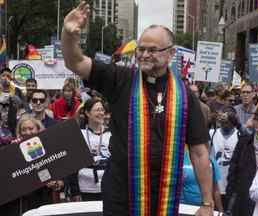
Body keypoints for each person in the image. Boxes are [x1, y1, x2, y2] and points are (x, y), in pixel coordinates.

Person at [61, 1, 213, 216]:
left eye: (152, 50)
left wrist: (207, 203)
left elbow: (199, 152)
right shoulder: (120, 78)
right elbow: (74, 62)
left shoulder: (185, 96)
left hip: (163, 194)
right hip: (121, 193)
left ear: (171, 53)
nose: (143, 54)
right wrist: (68, 35)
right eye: (141, 49)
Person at [67, 98, 111, 201]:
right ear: (87, 113)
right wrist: (75, 191)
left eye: (102, 110)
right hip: (85, 187)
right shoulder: (78, 134)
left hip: (108, 186)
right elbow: (72, 165)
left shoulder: (111, 133)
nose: (101, 113)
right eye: (97, 110)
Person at [209, 106, 240, 209]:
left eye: (227, 120)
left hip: (231, 186)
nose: (224, 123)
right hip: (214, 186)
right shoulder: (212, 133)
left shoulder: (239, 135)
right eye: (222, 120)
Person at [180, 144, 223, 212]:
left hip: (205, 208)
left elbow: (216, 190)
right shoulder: (181, 159)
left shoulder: (211, 161)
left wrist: (221, 211)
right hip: (184, 208)